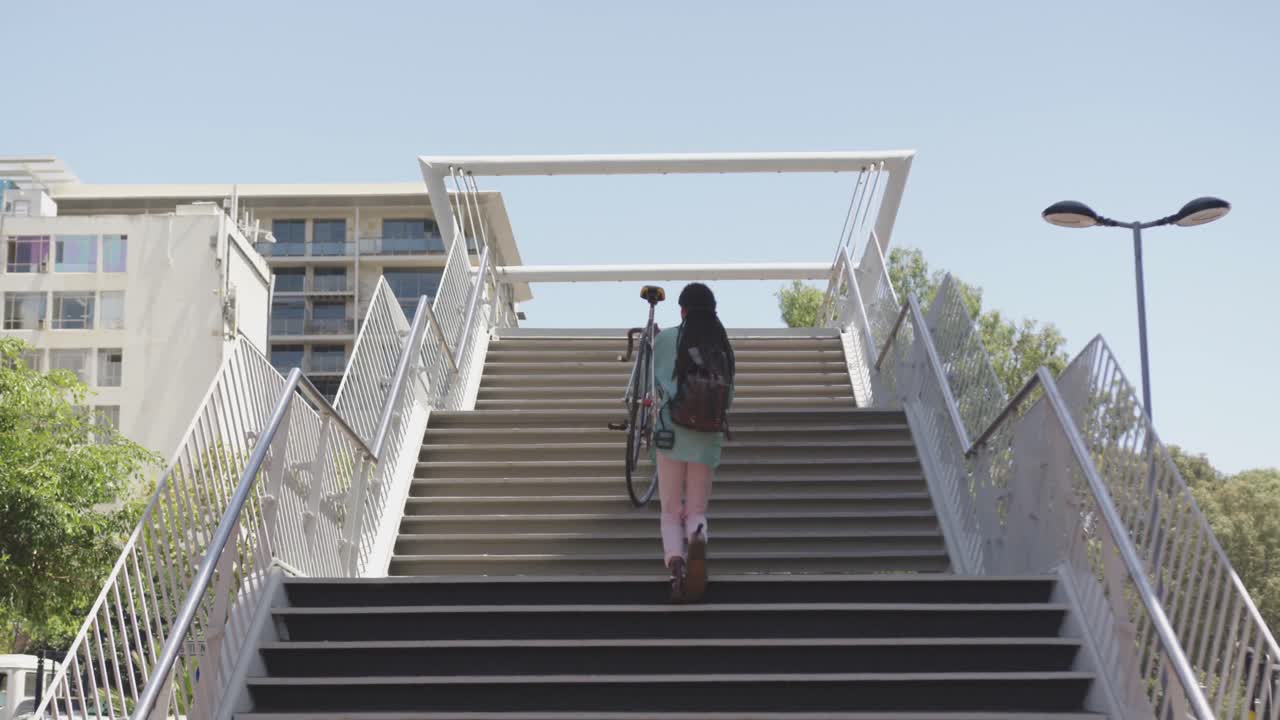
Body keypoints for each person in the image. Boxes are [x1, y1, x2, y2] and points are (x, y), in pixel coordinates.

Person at [652, 282, 735, 602]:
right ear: (713, 310)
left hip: (672, 432)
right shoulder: (722, 344)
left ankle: (675, 564)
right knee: (696, 509)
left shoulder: (668, 338)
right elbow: (728, 396)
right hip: (708, 436)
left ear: (682, 309)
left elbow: (658, 383)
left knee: (671, 509)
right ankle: (697, 537)